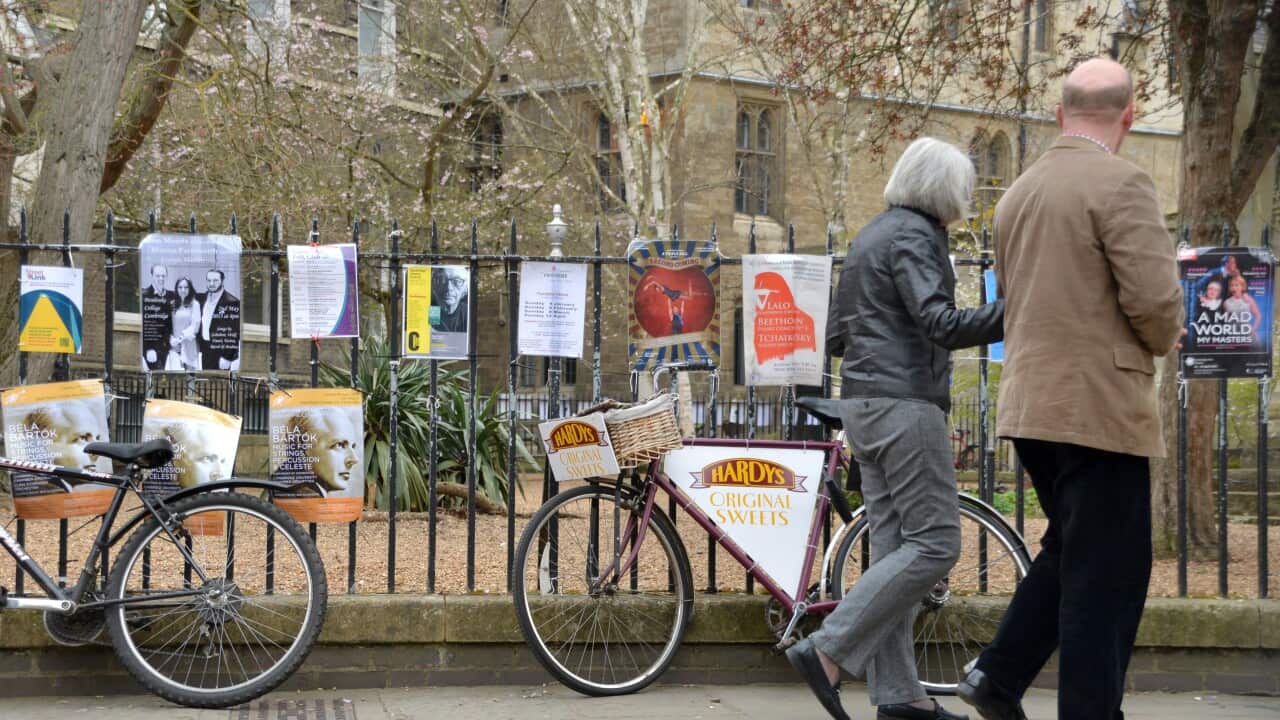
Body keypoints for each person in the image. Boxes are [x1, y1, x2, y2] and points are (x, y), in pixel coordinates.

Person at [957, 58, 1184, 720]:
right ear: (1129, 116)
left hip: (1030, 405)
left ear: (1060, 114)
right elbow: (1155, 301)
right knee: (1107, 576)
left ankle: (996, 678)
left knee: (1073, 551)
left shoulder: (1019, 193)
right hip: (1099, 408)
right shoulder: (1123, 184)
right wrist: (1161, 334)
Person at [787, 136, 1004, 720]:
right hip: (904, 405)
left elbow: (835, 336)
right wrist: (1019, 308)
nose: (966, 197)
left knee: (891, 550)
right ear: (942, 189)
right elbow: (940, 321)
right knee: (936, 542)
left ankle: (900, 698)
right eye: (962, 186)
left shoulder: (872, 235)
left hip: (863, 405)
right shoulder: (914, 236)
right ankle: (828, 650)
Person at [272, 408, 361, 496]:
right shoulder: (298, 494)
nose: (354, 459)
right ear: (305, 446)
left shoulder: (287, 482)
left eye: (353, 447)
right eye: (340, 445)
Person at [198, 268, 241, 371]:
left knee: (220, 384)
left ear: (222, 281)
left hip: (221, 353)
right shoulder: (202, 299)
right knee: (206, 382)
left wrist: (227, 357)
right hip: (205, 349)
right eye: (209, 280)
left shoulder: (232, 302)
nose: (211, 283)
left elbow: (234, 332)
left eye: (215, 280)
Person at [141, 264, 175, 371]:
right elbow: (144, 324)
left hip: (168, 347)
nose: (161, 278)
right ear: (152, 276)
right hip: (152, 349)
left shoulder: (172, 296)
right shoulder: (145, 295)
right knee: (153, 378)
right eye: (158, 276)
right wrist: (148, 348)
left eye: (163, 276)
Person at [166, 277, 202, 371]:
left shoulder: (195, 304)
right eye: (180, 287)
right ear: (176, 289)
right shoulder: (172, 304)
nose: (183, 290)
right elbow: (167, 325)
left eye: (186, 287)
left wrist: (180, 339)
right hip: (174, 346)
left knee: (190, 375)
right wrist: (171, 339)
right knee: (175, 378)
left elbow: (195, 326)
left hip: (189, 345)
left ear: (190, 289)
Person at [1224, 272, 1262, 344]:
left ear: (1242, 287)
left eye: (1237, 285)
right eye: (1232, 285)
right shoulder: (1226, 302)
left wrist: (1253, 330)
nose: (1234, 287)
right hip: (1233, 334)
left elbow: (1258, 316)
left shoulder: (1249, 300)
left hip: (1248, 333)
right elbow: (1226, 320)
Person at [431, 267, 469, 333]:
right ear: (434, 286)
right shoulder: (433, 310)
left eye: (457, 281)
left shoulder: (468, 312)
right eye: (441, 280)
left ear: (466, 289)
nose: (449, 288)